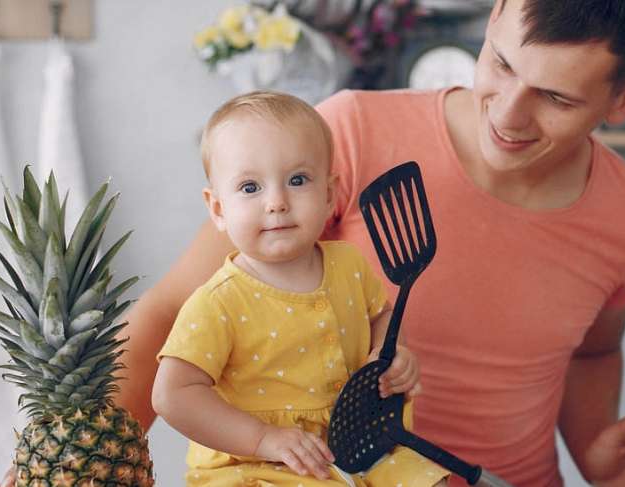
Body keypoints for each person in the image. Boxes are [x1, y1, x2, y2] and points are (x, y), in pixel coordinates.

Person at [1, 1, 625, 486]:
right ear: (494, 16)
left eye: (556, 98)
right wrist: (74, 470)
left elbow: (592, 351)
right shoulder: (347, 134)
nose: (508, 112)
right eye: (501, 64)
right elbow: (171, 315)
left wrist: (600, 457)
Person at [152, 91, 450, 486]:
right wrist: (262, 439)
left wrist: (390, 352)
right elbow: (173, 395)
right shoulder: (219, 302)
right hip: (261, 465)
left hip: (360, 441)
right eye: (250, 187)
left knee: (431, 480)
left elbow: (383, 314)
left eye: (297, 180)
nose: (276, 202)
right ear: (218, 209)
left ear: (328, 195)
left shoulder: (349, 265)